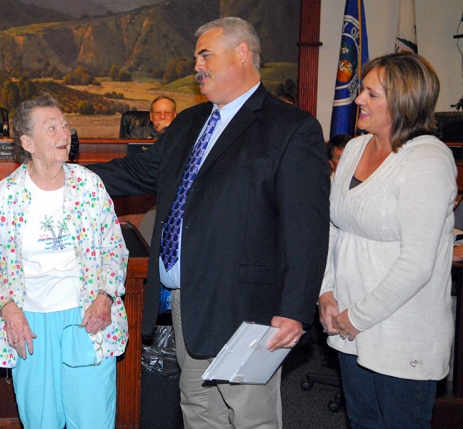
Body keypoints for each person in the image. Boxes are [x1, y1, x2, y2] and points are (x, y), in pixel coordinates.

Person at [89, 17, 329, 428]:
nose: (197, 66)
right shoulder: (189, 122)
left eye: (205, 55)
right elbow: (142, 171)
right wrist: (67, 172)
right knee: (199, 409)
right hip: (187, 301)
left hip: (246, 308)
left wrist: (295, 310)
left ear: (241, 53)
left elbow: (306, 230)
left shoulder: (290, 128)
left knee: (250, 416)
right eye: (196, 57)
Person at [0, 94, 129, 429]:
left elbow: (114, 249)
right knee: (41, 422)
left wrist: (105, 296)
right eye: (52, 127)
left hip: (88, 319)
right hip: (29, 326)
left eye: (65, 125)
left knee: (93, 421)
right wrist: (8, 308)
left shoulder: (90, 186)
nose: (64, 134)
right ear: (27, 142)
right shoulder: (7, 195)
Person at [318, 52, 456, 428]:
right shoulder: (357, 149)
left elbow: (417, 264)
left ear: (404, 103)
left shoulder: (427, 160)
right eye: (362, 89)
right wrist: (326, 291)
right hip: (347, 322)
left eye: (371, 94)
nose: (359, 99)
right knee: (363, 421)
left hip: (400, 331)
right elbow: (333, 226)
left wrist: (356, 318)